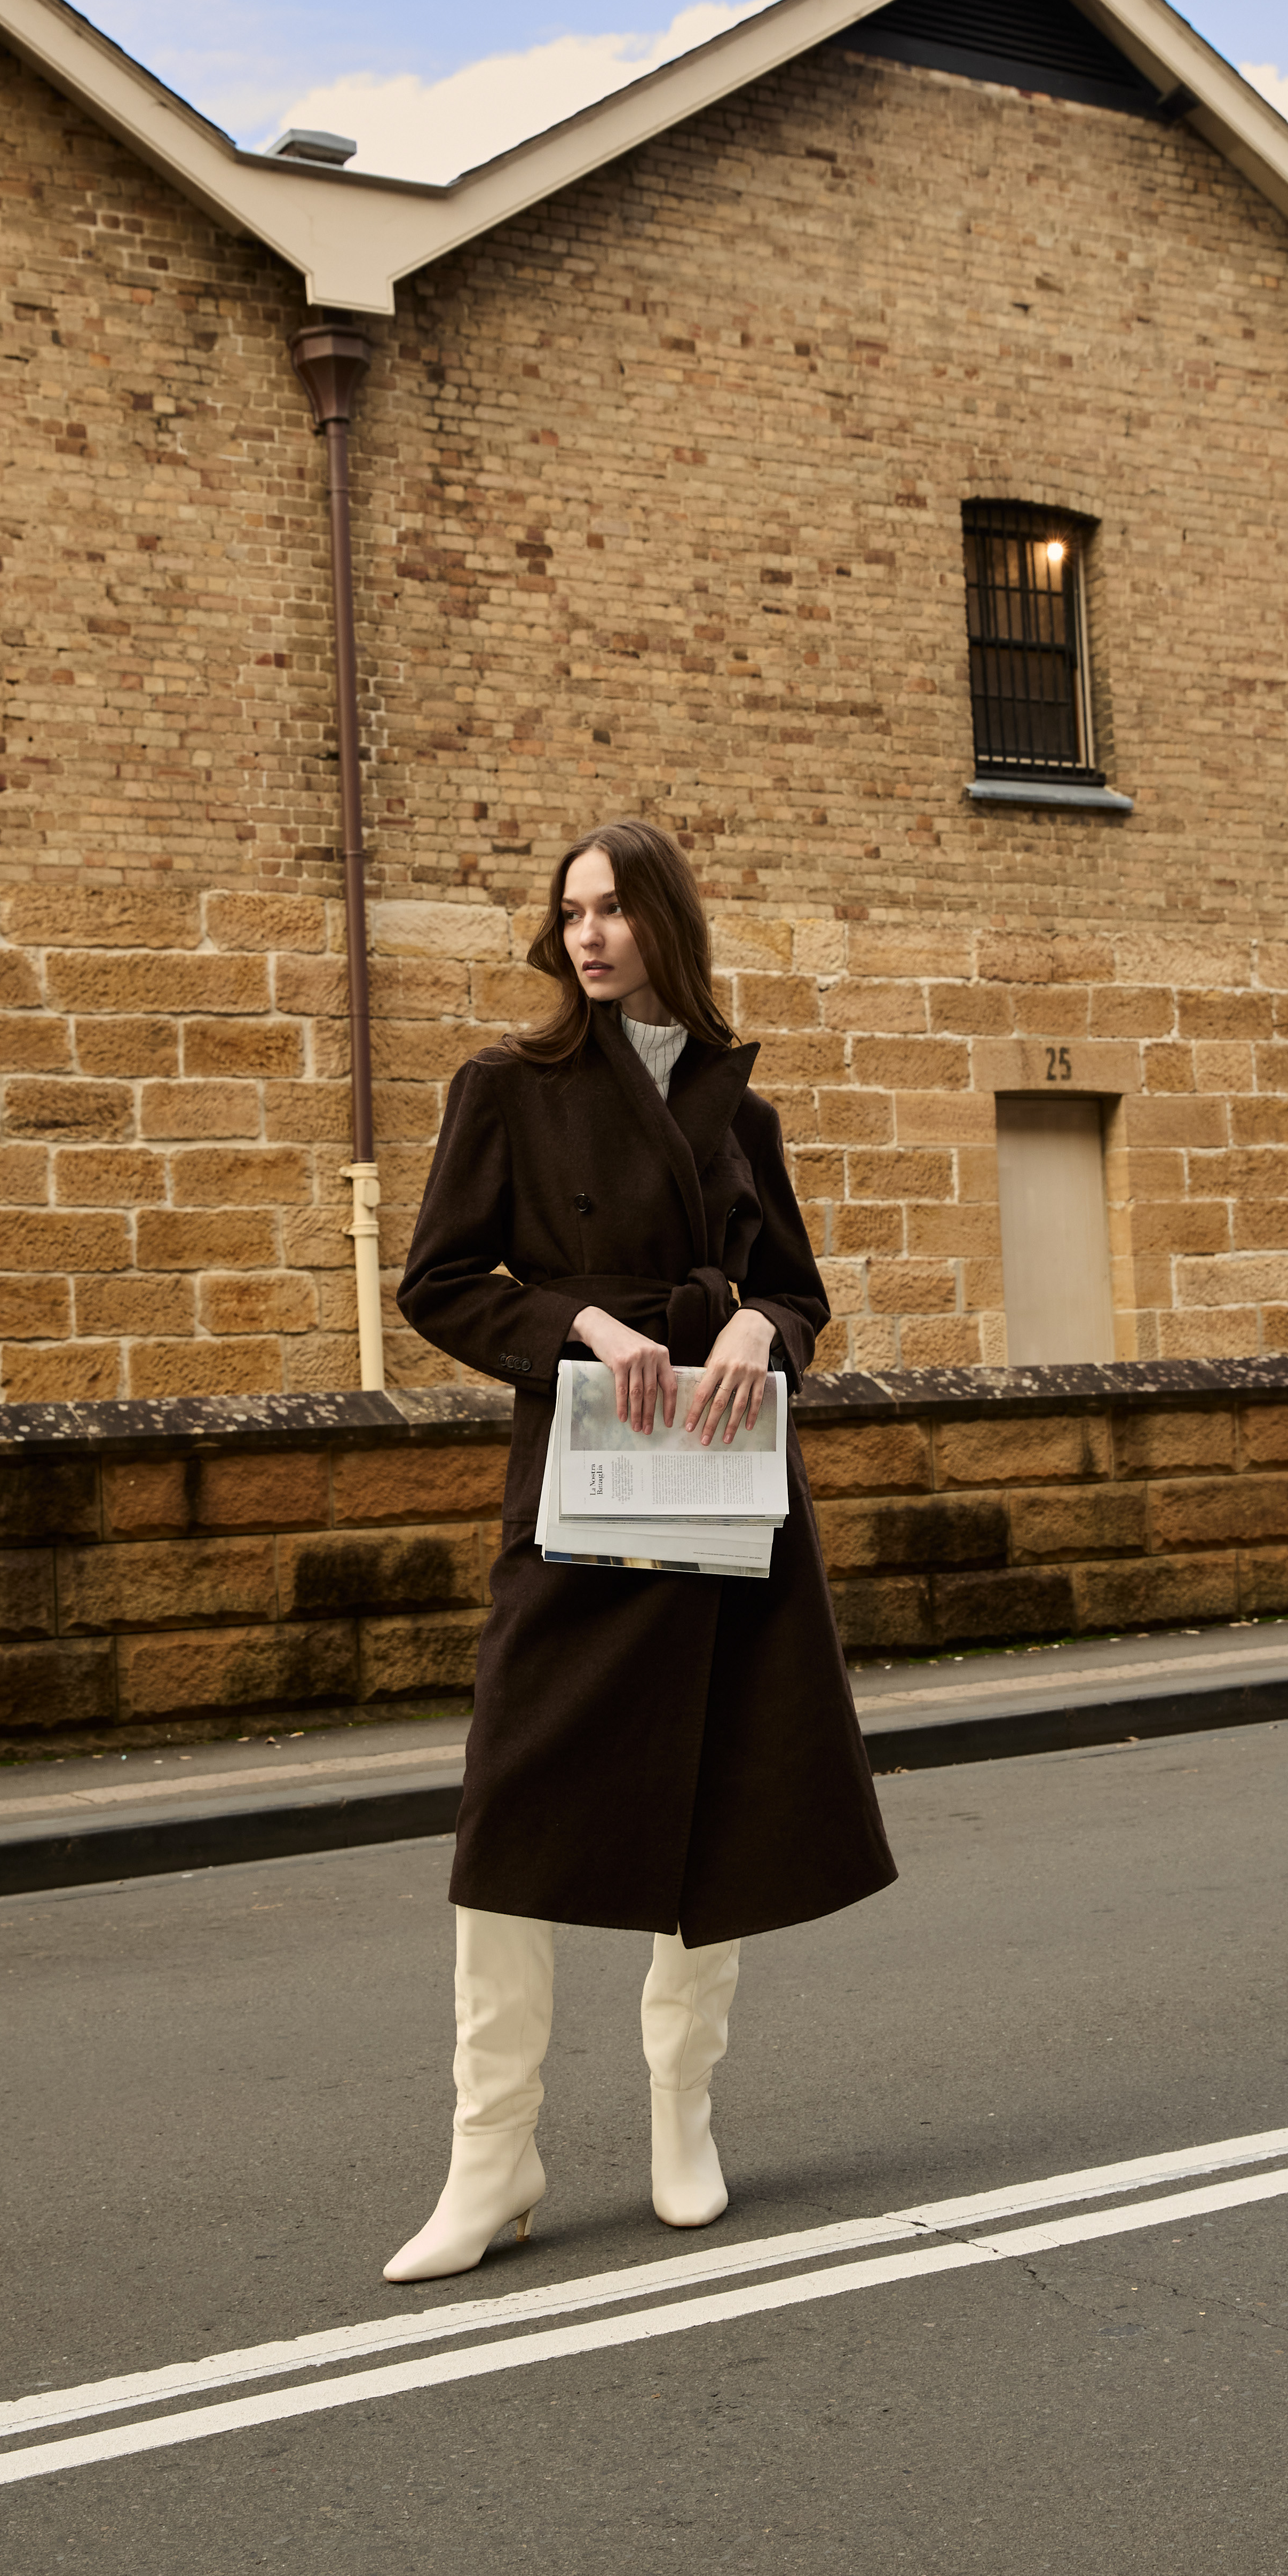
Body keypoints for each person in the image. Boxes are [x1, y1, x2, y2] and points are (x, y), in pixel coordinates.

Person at [385, 818, 897, 2282]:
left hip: (726, 1480)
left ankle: (685, 2113)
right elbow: (439, 1281)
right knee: (514, 1808)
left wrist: (757, 1326)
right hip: (585, 1472)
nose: (589, 935)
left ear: (665, 921)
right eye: (572, 914)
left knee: (717, 1798)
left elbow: (801, 1297)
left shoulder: (743, 1109)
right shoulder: (508, 1085)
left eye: (613, 909)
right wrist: (581, 1326)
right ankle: (495, 2153)